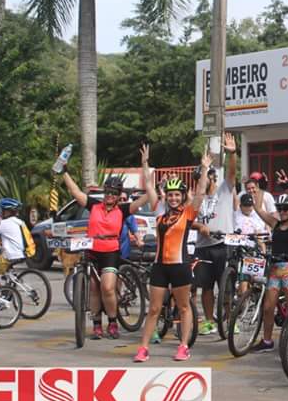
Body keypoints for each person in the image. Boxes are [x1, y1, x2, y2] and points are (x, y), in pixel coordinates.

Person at [133, 152, 210, 363]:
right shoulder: (159, 211)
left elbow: (201, 192)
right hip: (159, 266)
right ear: (166, 196)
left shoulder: (188, 213)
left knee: (184, 307)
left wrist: (204, 168)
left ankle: (184, 346)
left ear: (183, 196)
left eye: (178, 194)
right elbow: (149, 189)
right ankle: (143, 348)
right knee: (154, 309)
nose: (174, 197)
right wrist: (145, 164)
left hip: (180, 266)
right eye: (171, 194)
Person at [61, 170, 130, 340]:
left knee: (107, 288)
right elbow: (75, 191)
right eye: (107, 192)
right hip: (92, 249)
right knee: (93, 289)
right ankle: (97, 324)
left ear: (118, 195)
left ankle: (113, 322)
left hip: (111, 251)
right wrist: (63, 172)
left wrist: (150, 178)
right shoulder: (94, 205)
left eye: (114, 193)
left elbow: (147, 199)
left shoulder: (122, 210)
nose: (110, 195)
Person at [191, 133, 237, 336]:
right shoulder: (196, 198)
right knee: (206, 287)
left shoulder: (224, 190)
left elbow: (232, 173)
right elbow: (187, 220)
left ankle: (230, 320)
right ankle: (209, 321)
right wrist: (199, 226)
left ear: (213, 177)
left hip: (223, 245)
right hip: (203, 247)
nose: (201, 181)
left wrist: (232, 154)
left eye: (204, 176)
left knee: (226, 287)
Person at [250, 192, 288, 353]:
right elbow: (258, 208)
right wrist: (259, 190)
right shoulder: (275, 224)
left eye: (287, 208)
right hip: (274, 270)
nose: (283, 211)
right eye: (280, 208)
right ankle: (267, 341)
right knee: (267, 307)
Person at [0, 198, 36, 267]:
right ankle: (11, 277)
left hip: (10, 255)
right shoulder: (20, 222)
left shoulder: (4, 223)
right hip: (22, 254)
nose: (1, 212)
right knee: (5, 274)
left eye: (2, 210)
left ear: (8, 211)